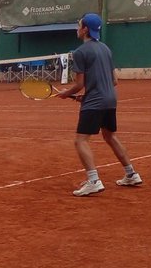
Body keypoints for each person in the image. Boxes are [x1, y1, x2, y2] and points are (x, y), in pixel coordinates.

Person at [56, 13, 142, 197]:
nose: (77, 29)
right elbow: (114, 81)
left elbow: (79, 84)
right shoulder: (105, 49)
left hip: (95, 101)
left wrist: (66, 93)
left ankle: (94, 181)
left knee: (80, 140)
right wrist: (86, 96)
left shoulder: (80, 52)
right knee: (110, 136)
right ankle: (131, 174)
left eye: (79, 25)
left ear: (85, 29)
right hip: (110, 99)